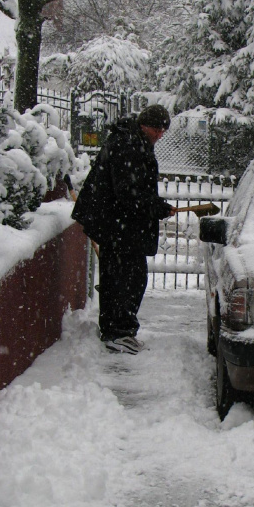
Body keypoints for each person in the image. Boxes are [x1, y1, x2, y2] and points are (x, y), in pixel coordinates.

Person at [72, 105, 175, 354]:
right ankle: (118, 332)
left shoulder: (131, 140)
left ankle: (117, 329)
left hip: (120, 224)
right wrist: (156, 207)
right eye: (156, 129)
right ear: (143, 125)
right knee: (126, 278)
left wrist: (152, 206)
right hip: (119, 225)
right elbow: (128, 192)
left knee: (123, 276)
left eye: (163, 130)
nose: (159, 134)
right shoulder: (129, 144)